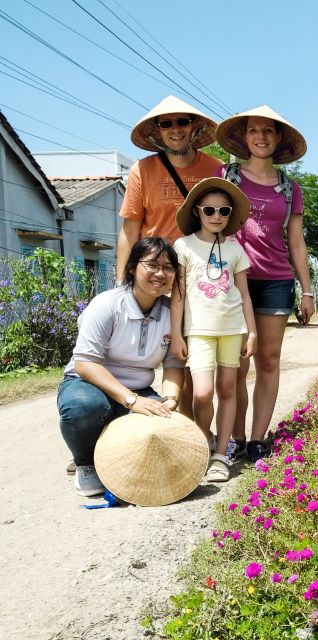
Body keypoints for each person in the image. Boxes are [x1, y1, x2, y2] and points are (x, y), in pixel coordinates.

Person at [215, 106, 315, 463]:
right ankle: (234, 436)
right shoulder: (226, 176)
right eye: (254, 131)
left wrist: (307, 290)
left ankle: (258, 438)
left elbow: (296, 242)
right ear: (244, 138)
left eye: (268, 132)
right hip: (231, 281)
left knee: (268, 361)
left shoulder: (291, 190)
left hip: (275, 280)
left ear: (278, 139)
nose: (260, 137)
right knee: (236, 363)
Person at [115, 95, 222, 426]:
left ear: (194, 127)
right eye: (167, 123)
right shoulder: (143, 170)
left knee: (194, 362)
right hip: (156, 276)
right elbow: (129, 231)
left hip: (200, 279)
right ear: (157, 132)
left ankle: (194, 434)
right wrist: (123, 285)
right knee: (152, 357)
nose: (175, 129)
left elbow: (226, 222)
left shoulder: (214, 169)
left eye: (182, 122)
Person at [58, 238, 185, 497]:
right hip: (87, 384)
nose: (160, 273)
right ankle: (86, 463)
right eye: (151, 264)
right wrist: (130, 400)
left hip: (136, 389)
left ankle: (115, 460)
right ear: (131, 268)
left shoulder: (171, 313)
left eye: (168, 267)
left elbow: (173, 365)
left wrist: (170, 399)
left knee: (159, 428)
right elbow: (85, 363)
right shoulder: (107, 304)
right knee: (84, 407)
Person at [170, 178, 256, 482]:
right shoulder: (183, 246)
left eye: (223, 210)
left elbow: (244, 294)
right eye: (209, 210)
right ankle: (203, 441)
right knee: (203, 392)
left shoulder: (235, 249)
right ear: (197, 211)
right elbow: (178, 294)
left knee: (228, 389)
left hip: (233, 329)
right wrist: (177, 334)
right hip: (199, 331)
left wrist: (253, 332)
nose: (216, 215)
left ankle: (221, 454)